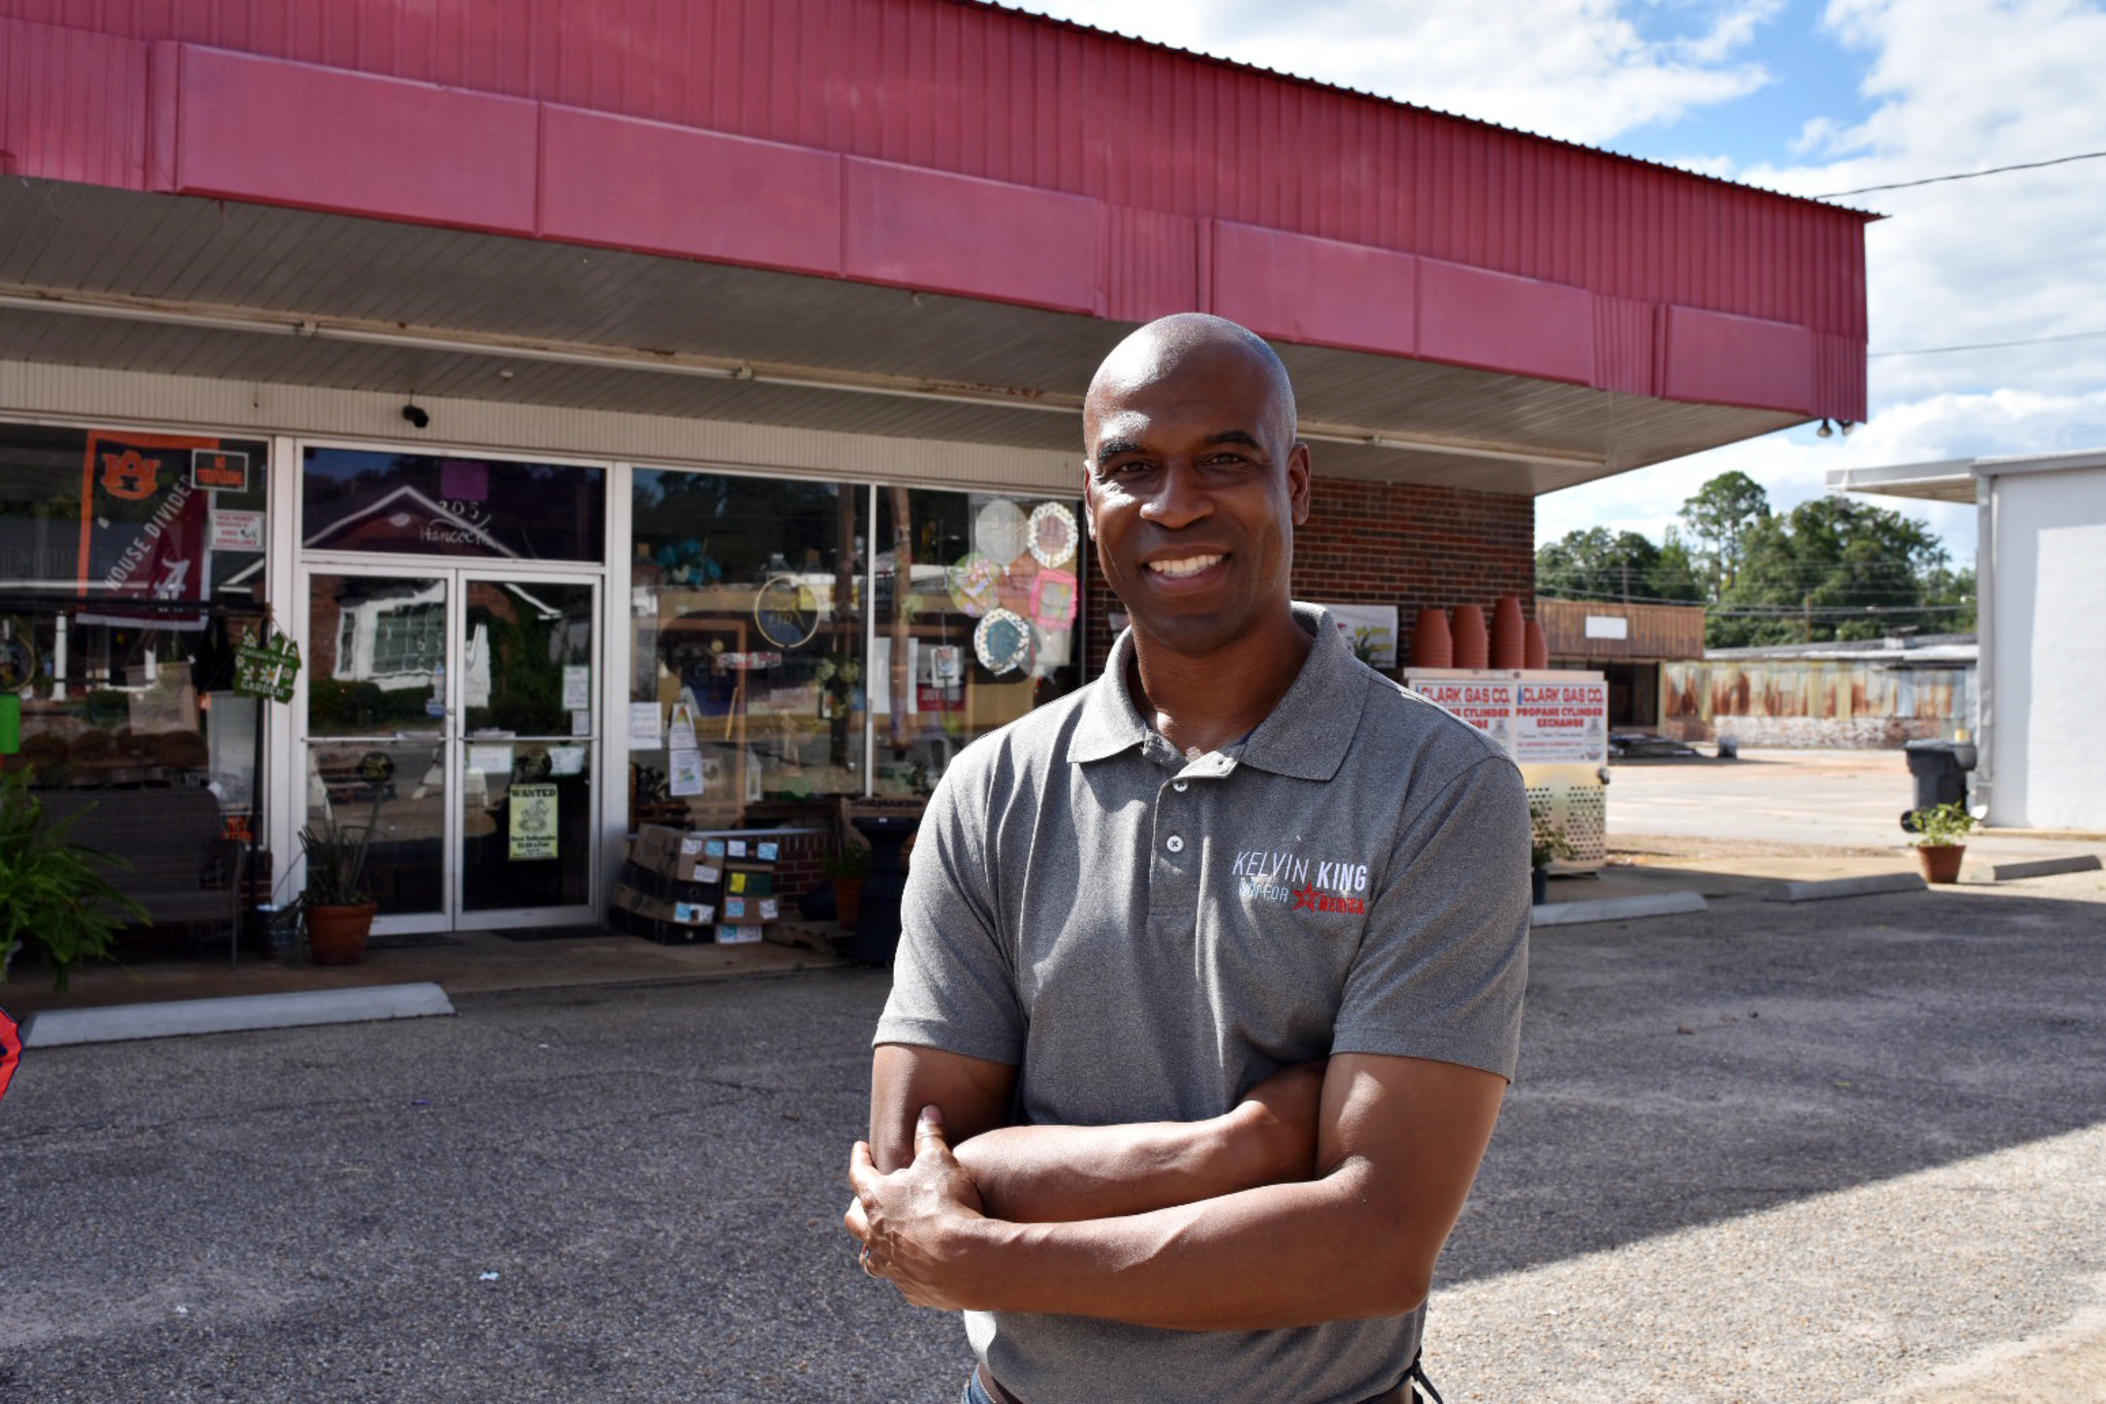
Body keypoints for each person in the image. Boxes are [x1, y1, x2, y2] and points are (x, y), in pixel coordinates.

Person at [845, 313, 1530, 1404]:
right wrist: (1244, 1147)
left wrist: (989, 1258)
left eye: (1225, 458)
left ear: (1296, 482)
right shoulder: (994, 791)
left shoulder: (1439, 788)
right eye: (1132, 468)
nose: (1176, 505)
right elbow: (916, 1169)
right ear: (1090, 499)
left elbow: (1375, 1242)